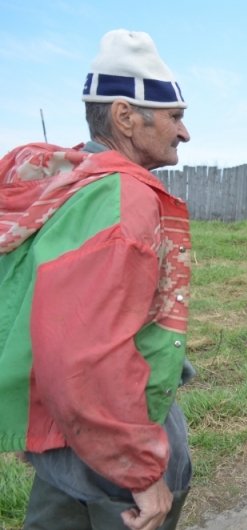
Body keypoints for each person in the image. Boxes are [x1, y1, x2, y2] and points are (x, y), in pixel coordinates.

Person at [0, 29, 193, 530]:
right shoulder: (120, 197)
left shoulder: (65, 184)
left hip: (68, 432)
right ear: (126, 116)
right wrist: (141, 469)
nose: (184, 133)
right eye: (175, 117)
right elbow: (85, 350)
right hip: (116, 448)